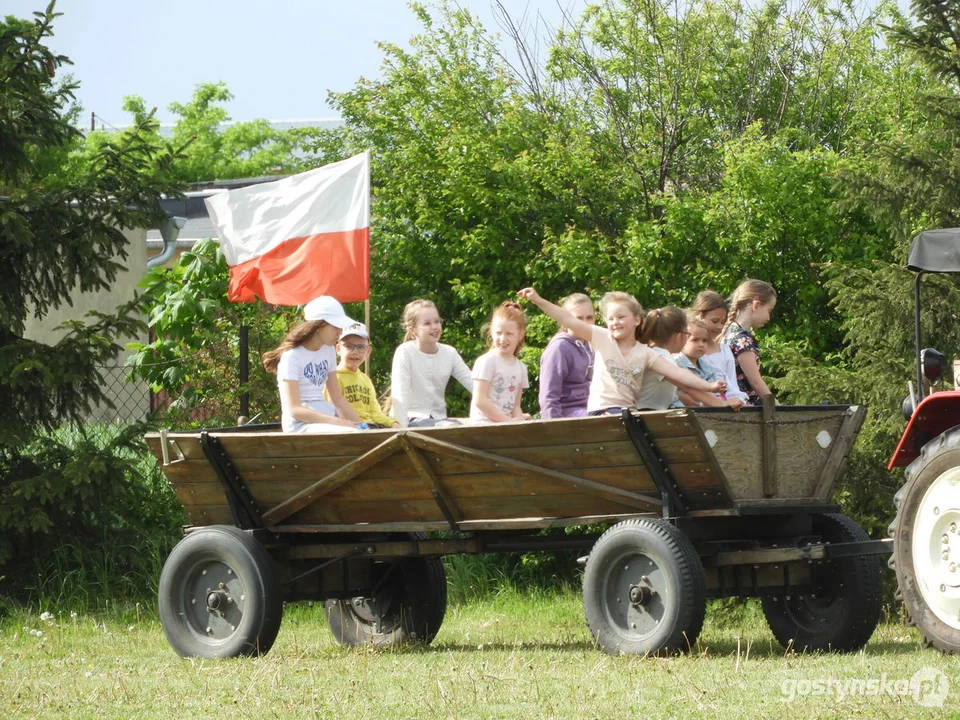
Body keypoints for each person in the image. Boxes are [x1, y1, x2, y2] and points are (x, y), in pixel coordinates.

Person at [516, 288, 725, 414]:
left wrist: (710, 386)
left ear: (636, 320)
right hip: (602, 411)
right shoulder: (602, 338)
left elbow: (678, 374)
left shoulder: (646, 353)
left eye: (621, 317)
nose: (615, 322)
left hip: (626, 413)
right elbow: (566, 319)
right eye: (610, 318)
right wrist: (538, 300)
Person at [261, 295, 365, 433]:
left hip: (326, 417)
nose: (340, 332)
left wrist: (362, 426)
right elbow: (295, 410)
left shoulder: (329, 351)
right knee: (351, 433)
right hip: (300, 425)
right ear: (318, 326)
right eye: (336, 327)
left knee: (362, 433)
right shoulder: (291, 357)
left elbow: (338, 399)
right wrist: (340, 423)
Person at [389, 299, 473, 427]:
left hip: (440, 419)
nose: (434, 327)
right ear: (413, 330)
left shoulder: (449, 353)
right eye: (427, 323)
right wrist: (401, 429)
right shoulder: (405, 352)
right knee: (448, 427)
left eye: (437, 321)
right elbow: (400, 394)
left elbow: (473, 384)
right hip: (410, 418)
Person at [324, 322, 400, 429]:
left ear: (368, 352)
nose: (355, 352)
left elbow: (376, 414)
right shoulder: (333, 378)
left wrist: (392, 423)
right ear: (338, 349)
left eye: (360, 347)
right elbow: (334, 412)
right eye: (349, 346)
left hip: (371, 426)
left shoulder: (366, 380)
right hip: (350, 428)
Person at [470, 301, 531, 423]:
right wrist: (506, 421)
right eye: (498, 333)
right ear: (491, 332)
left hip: (505, 425)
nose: (503, 339)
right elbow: (480, 401)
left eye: (509, 334)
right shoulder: (487, 361)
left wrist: (519, 420)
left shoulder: (521, 368)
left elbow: (515, 406)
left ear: (520, 335)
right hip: (483, 423)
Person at [538, 293, 596, 418]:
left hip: (593, 407)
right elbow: (548, 395)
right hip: (568, 411)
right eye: (578, 319)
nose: (584, 323)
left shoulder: (593, 344)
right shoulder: (559, 348)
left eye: (589, 318)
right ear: (565, 322)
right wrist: (555, 428)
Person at [722, 279, 777, 406]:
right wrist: (777, 407)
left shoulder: (728, 332)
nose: (768, 317)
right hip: (748, 408)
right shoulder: (742, 340)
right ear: (756, 305)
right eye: (769, 310)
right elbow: (756, 382)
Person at [689, 290, 748, 405]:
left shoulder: (724, 350)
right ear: (699, 316)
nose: (719, 327)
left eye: (722, 322)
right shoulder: (689, 352)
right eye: (714, 321)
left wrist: (738, 400)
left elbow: (731, 385)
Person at [674, 315, 743, 410]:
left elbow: (715, 394)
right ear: (681, 340)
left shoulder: (706, 365)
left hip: (704, 413)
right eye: (695, 340)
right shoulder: (676, 363)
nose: (701, 344)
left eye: (704, 340)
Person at [635, 306, 689, 410]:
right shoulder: (662, 358)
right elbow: (688, 386)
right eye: (688, 334)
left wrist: (684, 398)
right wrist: (720, 404)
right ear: (679, 336)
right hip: (643, 416)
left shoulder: (653, 352)